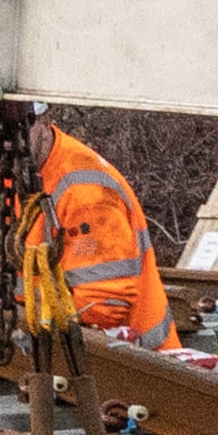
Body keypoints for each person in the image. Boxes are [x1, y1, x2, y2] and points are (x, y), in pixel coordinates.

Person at [24, 122, 167, 344]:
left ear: (44, 119)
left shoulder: (86, 194)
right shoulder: (14, 176)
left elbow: (103, 308)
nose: (6, 140)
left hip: (132, 368)